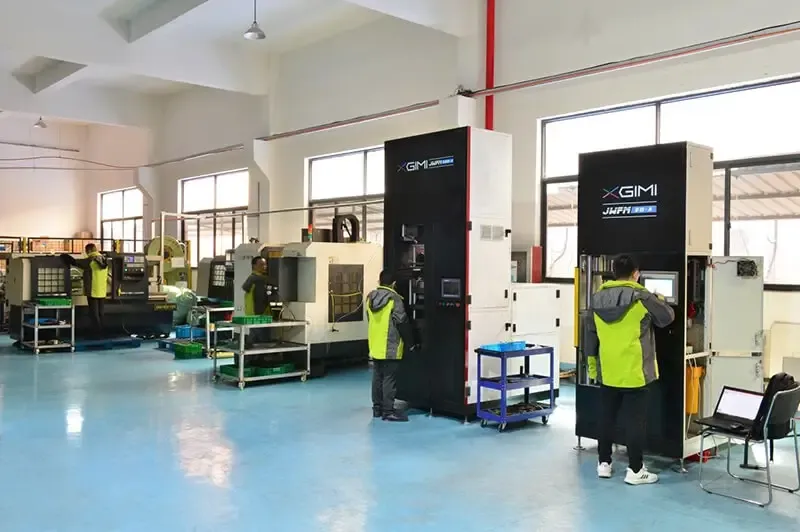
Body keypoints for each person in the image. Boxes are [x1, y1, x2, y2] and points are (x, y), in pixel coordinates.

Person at [585, 254, 675, 485]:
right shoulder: (641, 297)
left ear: (613, 272)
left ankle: (604, 463)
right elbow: (667, 318)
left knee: (606, 418)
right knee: (635, 422)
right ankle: (635, 470)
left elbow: (590, 337)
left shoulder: (596, 298)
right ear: (636, 273)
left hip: (608, 369)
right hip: (635, 371)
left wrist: (593, 367)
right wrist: (660, 299)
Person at [366, 270, 416, 422]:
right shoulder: (395, 299)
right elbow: (402, 322)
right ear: (394, 284)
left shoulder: (370, 298)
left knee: (377, 377)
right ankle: (388, 411)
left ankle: (377, 409)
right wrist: (411, 343)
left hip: (375, 344)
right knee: (389, 378)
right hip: (391, 346)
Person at [64, 243, 109, 339]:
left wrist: (65, 257)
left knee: (94, 313)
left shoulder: (90, 260)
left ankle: (97, 334)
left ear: (88, 251)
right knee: (101, 313)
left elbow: (76, 263)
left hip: (92, 290)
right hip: (102, 290)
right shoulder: (104, 259)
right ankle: (103, 333)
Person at [241, 256, 271, 346]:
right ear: (254, 266)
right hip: (257, 313)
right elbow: (246, 288)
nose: (264, 266)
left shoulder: (256, 278)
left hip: (258, 313)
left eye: (265, 264)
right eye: (261, 265)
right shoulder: (255, 279)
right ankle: (254, 357)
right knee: (259, 338)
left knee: (255, 336)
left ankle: (251, 358)